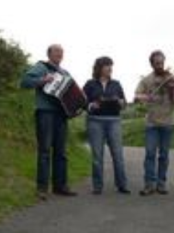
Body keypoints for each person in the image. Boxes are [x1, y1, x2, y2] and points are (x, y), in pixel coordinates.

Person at [21, 44, 77, 200]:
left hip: (61, 115)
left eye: (62, 52)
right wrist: (43, 80)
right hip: (45, 112)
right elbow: (25, 81)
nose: (60, 54)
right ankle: (42, 188)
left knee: (61, 152)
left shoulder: (65, 73)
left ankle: (60, 186)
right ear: (49, 54)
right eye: (57, 51)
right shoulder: (41, 67)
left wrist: (74, 107)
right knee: (45, 150)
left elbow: (72, 93)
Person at [135, 50, 174, 195]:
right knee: (150, 153)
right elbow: (137, 95)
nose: (160, 65)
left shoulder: (172, 78)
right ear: (152, 64)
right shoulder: (147, 80)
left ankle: (161, 183)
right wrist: (146, 97)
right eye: (157, 63)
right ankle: (149, 184)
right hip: (152, 122)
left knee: (164, 155)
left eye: (162, 62)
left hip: (168, 122)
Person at [83, 56, 130, 195]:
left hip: (114, 120)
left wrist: (121, 103)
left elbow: (124, 103)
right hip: (95, 120)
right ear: (99, 68)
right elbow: (81, 101)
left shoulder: (116, 84)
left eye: (111, 66)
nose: (110, 68)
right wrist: (92, 105)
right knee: (97, 156)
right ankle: (97, 186)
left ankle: (122, 185)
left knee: (118, 154)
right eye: (107, 65)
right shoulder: (90, 84)